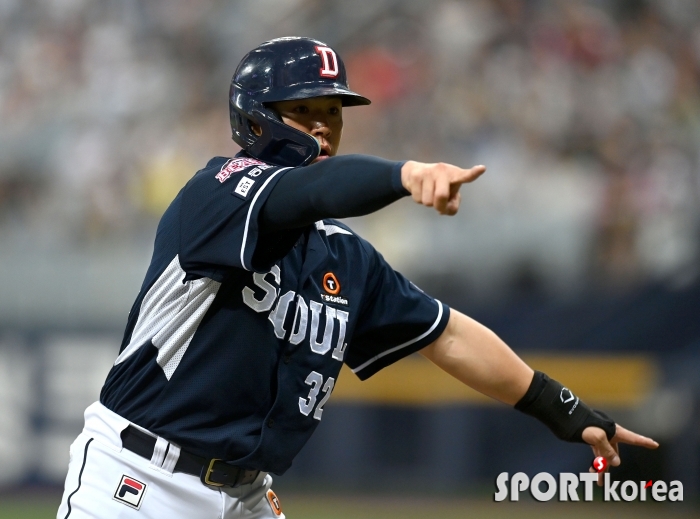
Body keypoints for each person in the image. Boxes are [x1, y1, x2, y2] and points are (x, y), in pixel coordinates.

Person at [57, 37, 658, 519]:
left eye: (330, 112)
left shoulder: (344, 257)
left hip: (246, 494)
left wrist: (563, 408)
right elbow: (311, 189)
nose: (322, 127)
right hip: (140, 482)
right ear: (255, 121)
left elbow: (446, 335)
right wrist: (404, 175)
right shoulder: (215, 195)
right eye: (302, 111)